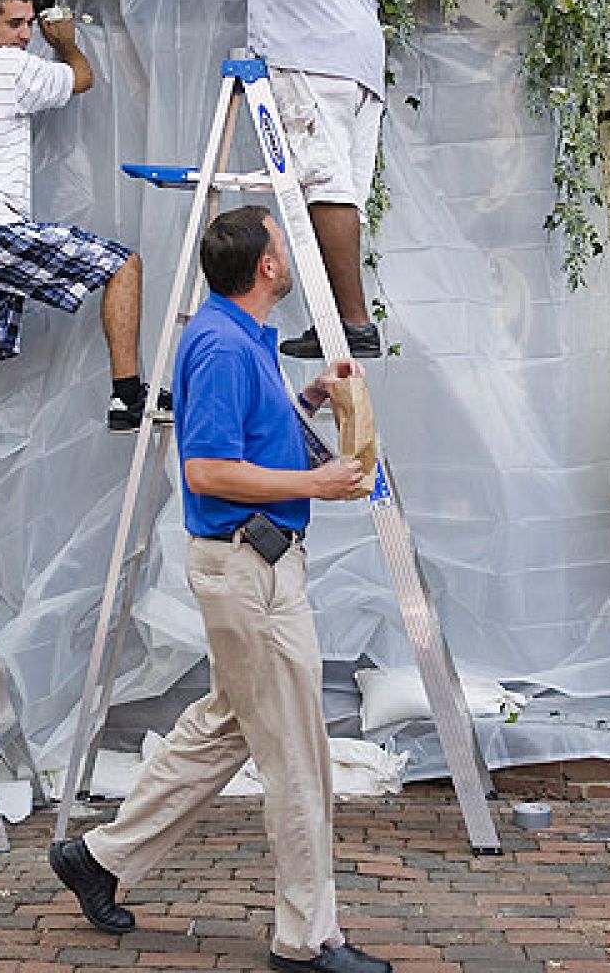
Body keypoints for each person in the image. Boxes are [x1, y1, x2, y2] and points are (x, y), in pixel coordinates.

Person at [49, 205, 391, 973]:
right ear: (268, 267)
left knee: (226, 724)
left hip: (257, 565)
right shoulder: (221, 345)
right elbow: (205, 470)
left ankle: (100, 859)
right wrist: (319, 482)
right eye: (283, 242)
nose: (291, 253)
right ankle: (306, 942)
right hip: (250, 570)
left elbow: (246, 439)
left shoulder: (240, 340)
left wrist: (306, 398)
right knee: (298, 752)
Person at [0, 0, 160, 552]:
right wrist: (66, 42)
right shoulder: (11, 71)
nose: (24, 37)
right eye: (15, 25)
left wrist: (21, 28)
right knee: (124, 265)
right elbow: (83, 79)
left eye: (29, 25)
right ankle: (128, 395)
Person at [220, 0, 386, 360]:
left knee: (324, 187)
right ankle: (340, 322)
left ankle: (353, 323)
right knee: (342, 193)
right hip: (362, 60)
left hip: (307, 45)